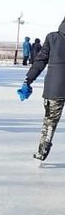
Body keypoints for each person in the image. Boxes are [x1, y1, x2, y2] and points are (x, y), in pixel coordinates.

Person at [20, 19, 65, 161]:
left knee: (50, 121)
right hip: (55, 87)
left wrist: (28, 80)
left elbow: (40, 60)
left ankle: (42, 150)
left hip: (55, 88)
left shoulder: (52, 38)